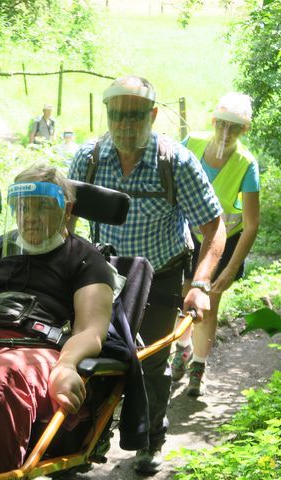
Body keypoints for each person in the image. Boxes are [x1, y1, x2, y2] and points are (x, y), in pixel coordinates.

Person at [68, 75, 226, 475]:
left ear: (153, 115)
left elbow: (214, 228)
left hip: (161, 277)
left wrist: (201, 284)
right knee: (91, 356)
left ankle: (150, 439)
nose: (124, 124)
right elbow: (66, 224)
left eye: (135, 116)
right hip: (104, 277)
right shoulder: (87, 159)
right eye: (116, 115)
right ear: (107, 114)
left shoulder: (174, 163)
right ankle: (88, 441)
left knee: (152, 362)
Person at [0, 163, 116, 474]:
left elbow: (91, 330)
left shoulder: (86, 258)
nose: (30, 216)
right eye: (23, 207)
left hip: (40, 346)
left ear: (67, 209)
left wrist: (67, 365)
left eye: (42, 207)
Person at [171, 92, 260, 397]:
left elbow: (251, 224)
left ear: (244, 130)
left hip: (222, 242)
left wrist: (231, 267)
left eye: (233, 128)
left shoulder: (246, 164)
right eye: (221, 125)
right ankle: (182, 350)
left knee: (208, 307)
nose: (225, 133)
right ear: (213, 121)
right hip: (187, 236)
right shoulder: (191, 145)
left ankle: (198, 366)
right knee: (182, 299)